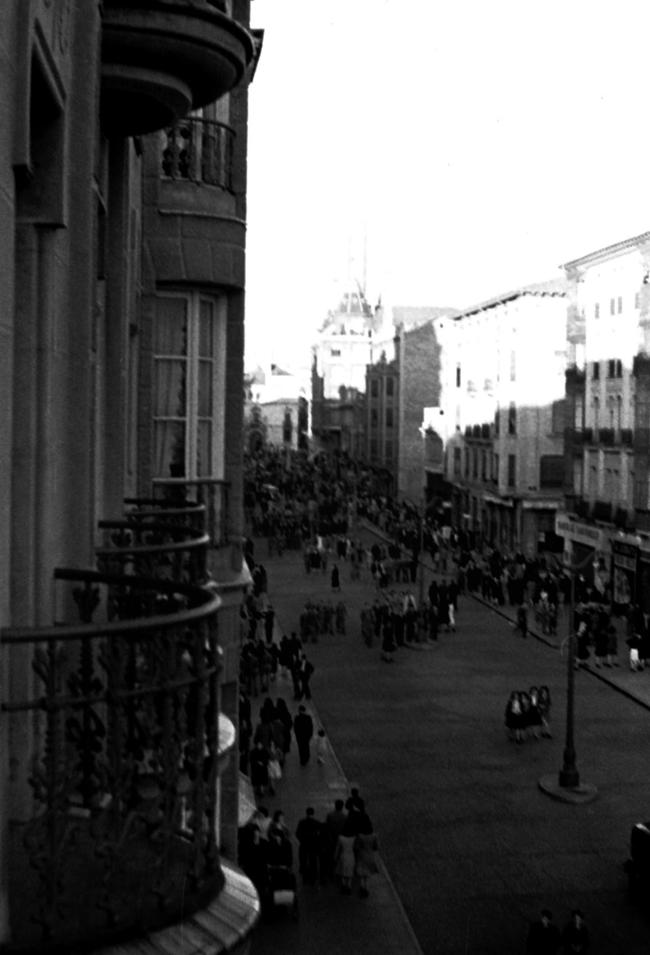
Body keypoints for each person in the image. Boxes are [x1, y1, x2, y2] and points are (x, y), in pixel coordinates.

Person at [354, 813, 379, 898]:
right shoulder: (374, 836)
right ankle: (366, 889)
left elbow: (357, 847)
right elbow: (376, 847)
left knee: (361, 874)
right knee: (367, 875)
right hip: (370, 856)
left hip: (361, 855)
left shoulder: (360, 836)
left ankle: (362, 889)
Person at [295, 807, 322, 885]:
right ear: (313, 813)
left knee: (304, 861)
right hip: (313, 846)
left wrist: (302, 840)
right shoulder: (317, 823)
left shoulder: (302, 822)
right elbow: (320, 835)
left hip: (304, 845)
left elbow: (297, 833)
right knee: (313, 862)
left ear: (306, 813)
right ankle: (313, 878)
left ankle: (305, 878)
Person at [334, 814, 358, 894]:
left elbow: (338, 849)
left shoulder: (341, 837)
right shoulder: (354, 838)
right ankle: (349, 886)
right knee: (350, 872)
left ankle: (344, 886)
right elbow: (356, 848)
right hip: (351, 856)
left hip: (343, 856)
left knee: (343, 872)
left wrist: (335, 857)